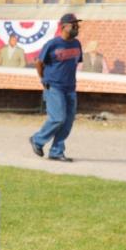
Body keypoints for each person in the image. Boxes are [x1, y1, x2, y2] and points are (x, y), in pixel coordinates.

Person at [29, 13, 83, 162]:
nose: (76, 27)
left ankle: (56, 151)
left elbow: (74, 63)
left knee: (67, 122)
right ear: (63, 26)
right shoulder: (52, 44)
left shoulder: (77, 44)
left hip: (70, 88)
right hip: (54, 86)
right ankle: (37, 139)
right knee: (58, 118)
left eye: (77, 24)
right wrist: (43, 79)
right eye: (73, 24)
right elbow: (39, 62)